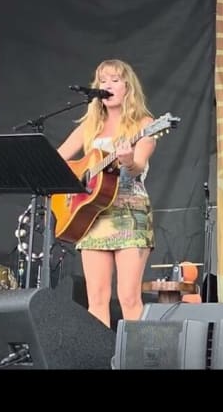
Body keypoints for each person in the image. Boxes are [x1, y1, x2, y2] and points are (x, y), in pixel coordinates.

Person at [57, 59, 156, 327]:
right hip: (91, 215)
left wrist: (127, 161)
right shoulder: (89, 127)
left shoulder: (144, 124)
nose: (108, 85)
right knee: (96, 299)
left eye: (115, 80)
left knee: (129, 297)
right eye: (103, 81)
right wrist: (72, 186)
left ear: (128, 87)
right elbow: (56, 161)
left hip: (130, 213)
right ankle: (99, 351)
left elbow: (138, 167)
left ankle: (133, 352)